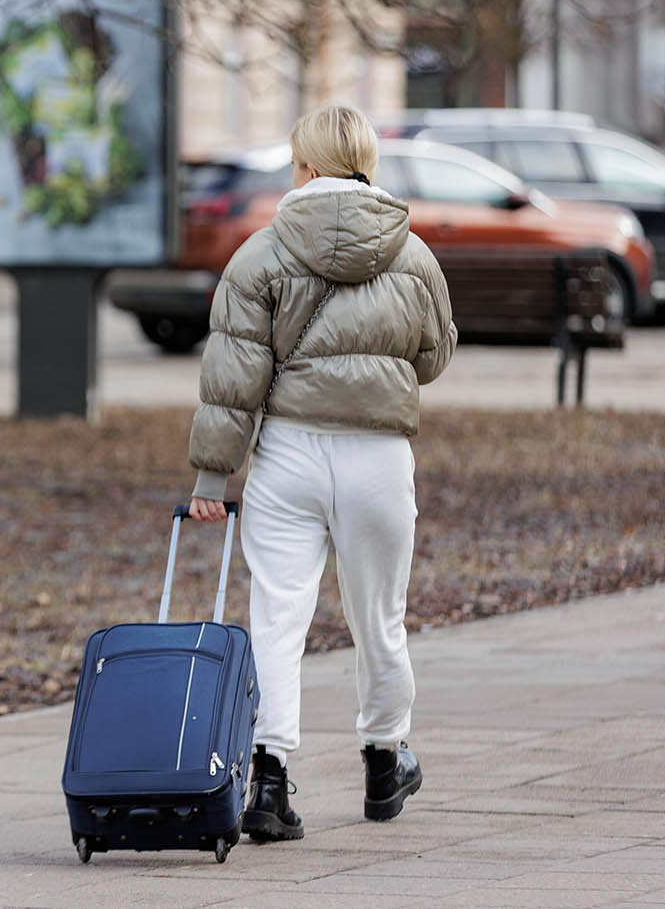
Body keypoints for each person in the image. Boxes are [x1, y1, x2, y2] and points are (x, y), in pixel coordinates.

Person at [185, 105, 456, 840]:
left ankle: (268, 782)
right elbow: (434, 356)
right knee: (379, 618)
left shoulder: (261, 253)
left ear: (303, 166)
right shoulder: (412, 252)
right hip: (378, 454)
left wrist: (213, 478)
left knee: (277, 619)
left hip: (289, 455)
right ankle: (382, 759)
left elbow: (233, 372)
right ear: (368, 160)